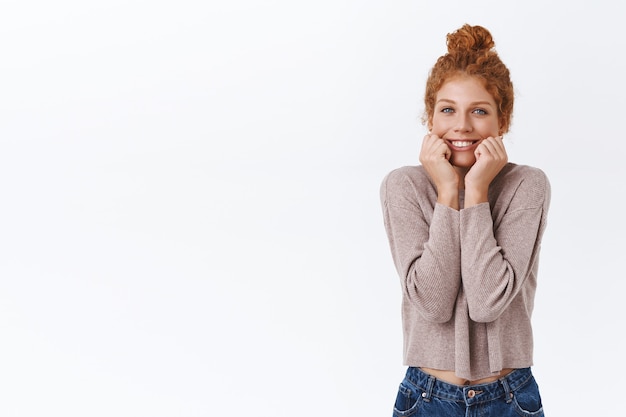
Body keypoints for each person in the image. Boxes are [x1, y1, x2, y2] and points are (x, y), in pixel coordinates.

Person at [380, 24, 550, 416]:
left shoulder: (526, 185)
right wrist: (445, 193)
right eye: (447, 110)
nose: (462, 126)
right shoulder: (403, 186)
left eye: (479, 111)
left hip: (509, 396)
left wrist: (475, 192)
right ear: (430, 118)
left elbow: (488, 302)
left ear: (501, 121)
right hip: (426, 397)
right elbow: (433, 304)